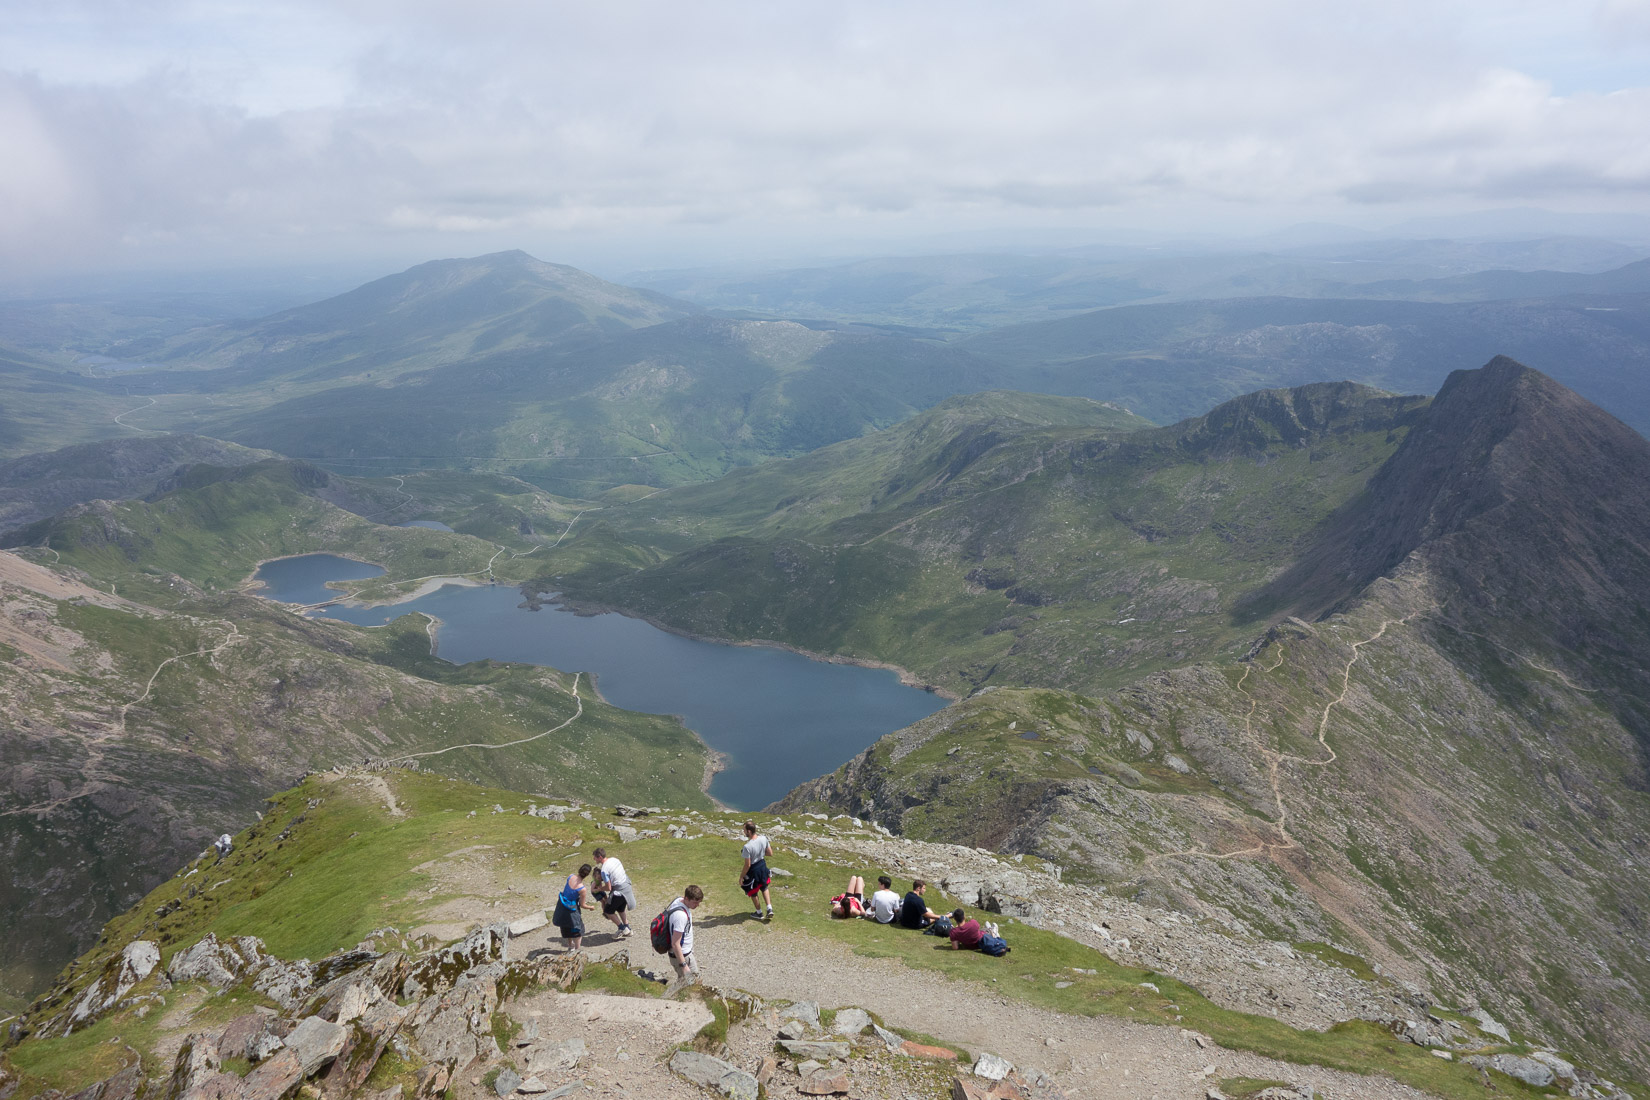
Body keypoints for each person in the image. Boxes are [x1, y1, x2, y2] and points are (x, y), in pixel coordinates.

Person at [592, 847, 637, 938]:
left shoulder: (604, 870)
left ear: (600, 857)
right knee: (621, 909)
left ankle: (622, 928)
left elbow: (608, 887)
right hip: (627, 888)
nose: (594, 859)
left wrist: (599, 889)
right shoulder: (615, 859)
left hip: (618, 892)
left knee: (608, 911)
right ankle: (628, 928)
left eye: (595, 857)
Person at [667, 884, 704, 989]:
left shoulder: (678, 900)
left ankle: (676, 998)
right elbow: (675, 943)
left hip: (682, 954)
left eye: (699, 902)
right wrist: (684, 965)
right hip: (683, 956)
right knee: (695, 983)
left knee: (683, 981)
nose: (697, 905)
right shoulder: (680, 916)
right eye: (695, 902)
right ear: (686, 898)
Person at [552, 862, 593, 953]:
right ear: (587, 875)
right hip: (572, 910)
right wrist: (590, 907)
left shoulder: (570, 876)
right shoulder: (582, 889)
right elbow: (582, 905)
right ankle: (577, 951)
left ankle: (570, 946)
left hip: (563, 906)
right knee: (578, 930)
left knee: (566, 927)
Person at [739, 821, 774, 920]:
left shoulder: (747, 847)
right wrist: (760, 853)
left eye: (744, 830)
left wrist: (741, 877)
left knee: (753, 891)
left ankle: (759, 913)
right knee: (764, 886)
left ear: (749, 831)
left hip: (753, 869)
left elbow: (748, 864)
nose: (744, 832)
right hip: (762, 865)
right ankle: (769, 908)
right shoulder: (763, 838)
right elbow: (770, 853)